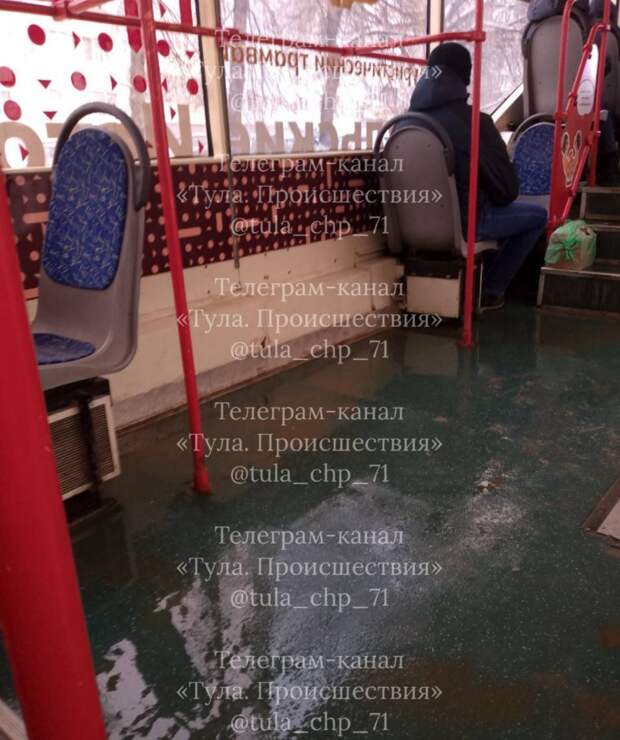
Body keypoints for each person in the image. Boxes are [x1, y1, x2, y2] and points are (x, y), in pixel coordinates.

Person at [409, 42, 548, 311]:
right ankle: (490, 291)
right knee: (537, 216)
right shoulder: (475, 123)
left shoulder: (407, 121)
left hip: (413, 226)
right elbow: (507, 191)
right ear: (466, 75)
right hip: (465, 224)